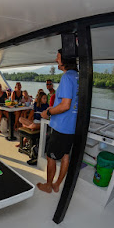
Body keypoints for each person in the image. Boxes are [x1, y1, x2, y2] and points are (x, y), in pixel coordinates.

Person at [37, 49, 79, 194]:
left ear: (65, 60)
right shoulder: (77, 77)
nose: (56, 60)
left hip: (62, 127)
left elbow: (66, 105)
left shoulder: (67, 77)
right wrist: (53, 107)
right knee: (66, 155)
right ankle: (57, 184)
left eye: (58, 57)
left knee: (51, 156)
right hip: (72, 127)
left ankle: (49, 185)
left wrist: (48, 112)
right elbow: (70, 103)